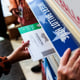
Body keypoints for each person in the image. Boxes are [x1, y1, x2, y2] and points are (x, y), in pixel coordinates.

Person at [9, 0, 41, 73]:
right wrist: (13, 6)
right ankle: (40, 62)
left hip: (36, 13)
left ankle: (43, 63)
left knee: (41, 40)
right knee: (32, 41)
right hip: (23, 15)